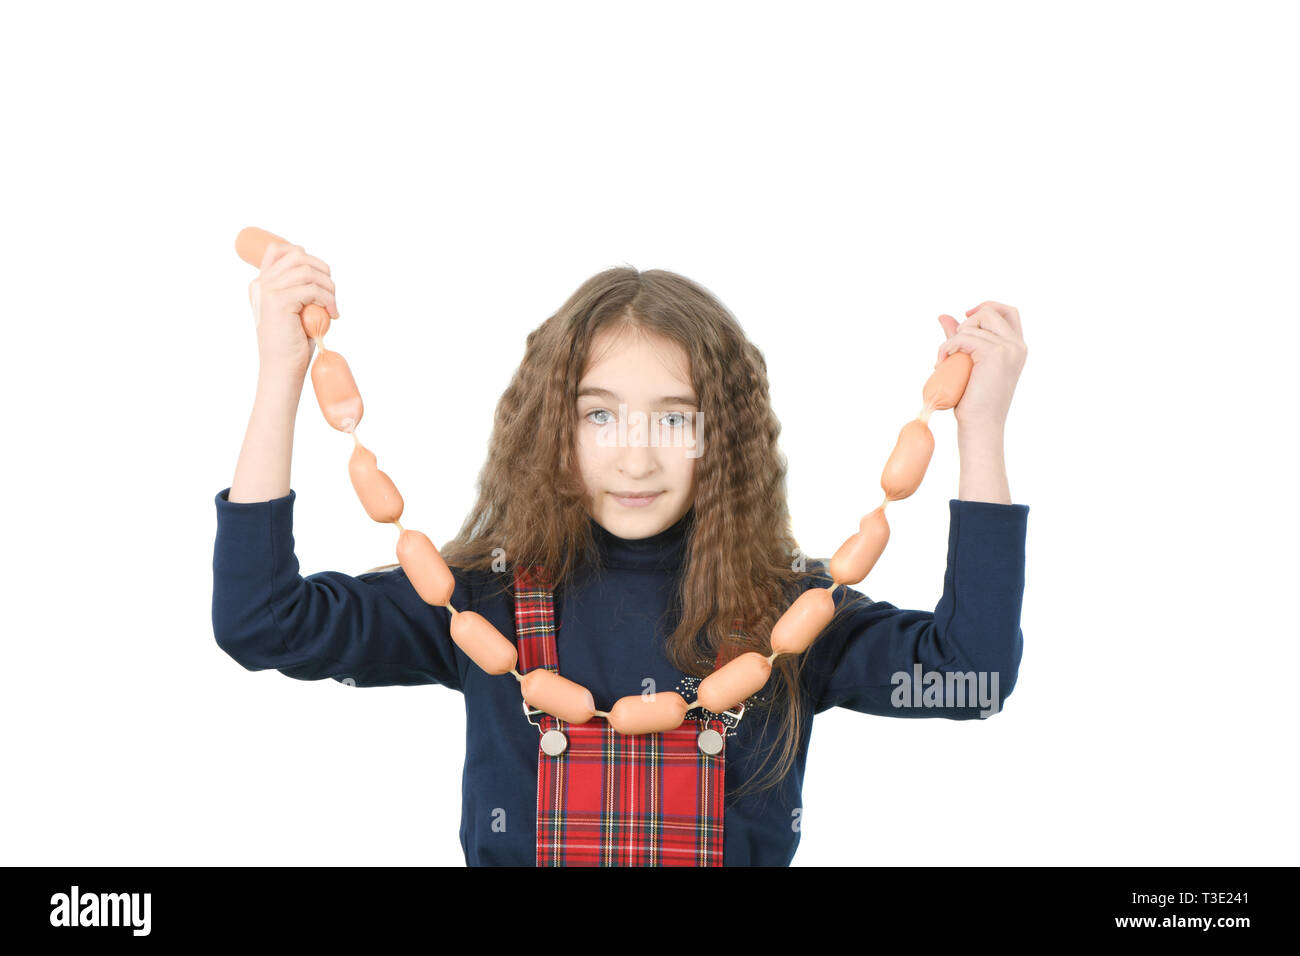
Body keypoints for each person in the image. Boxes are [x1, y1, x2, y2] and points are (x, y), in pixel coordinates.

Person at [211, 242, 1030, 866]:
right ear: (549, 429)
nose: (636, 459)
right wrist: (281, 375)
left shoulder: (793, 615)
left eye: (675, 419)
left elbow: (975, 674)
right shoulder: (477, 603)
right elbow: (261, 621)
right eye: (599, 416)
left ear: (725, 440)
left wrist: (980, 430)